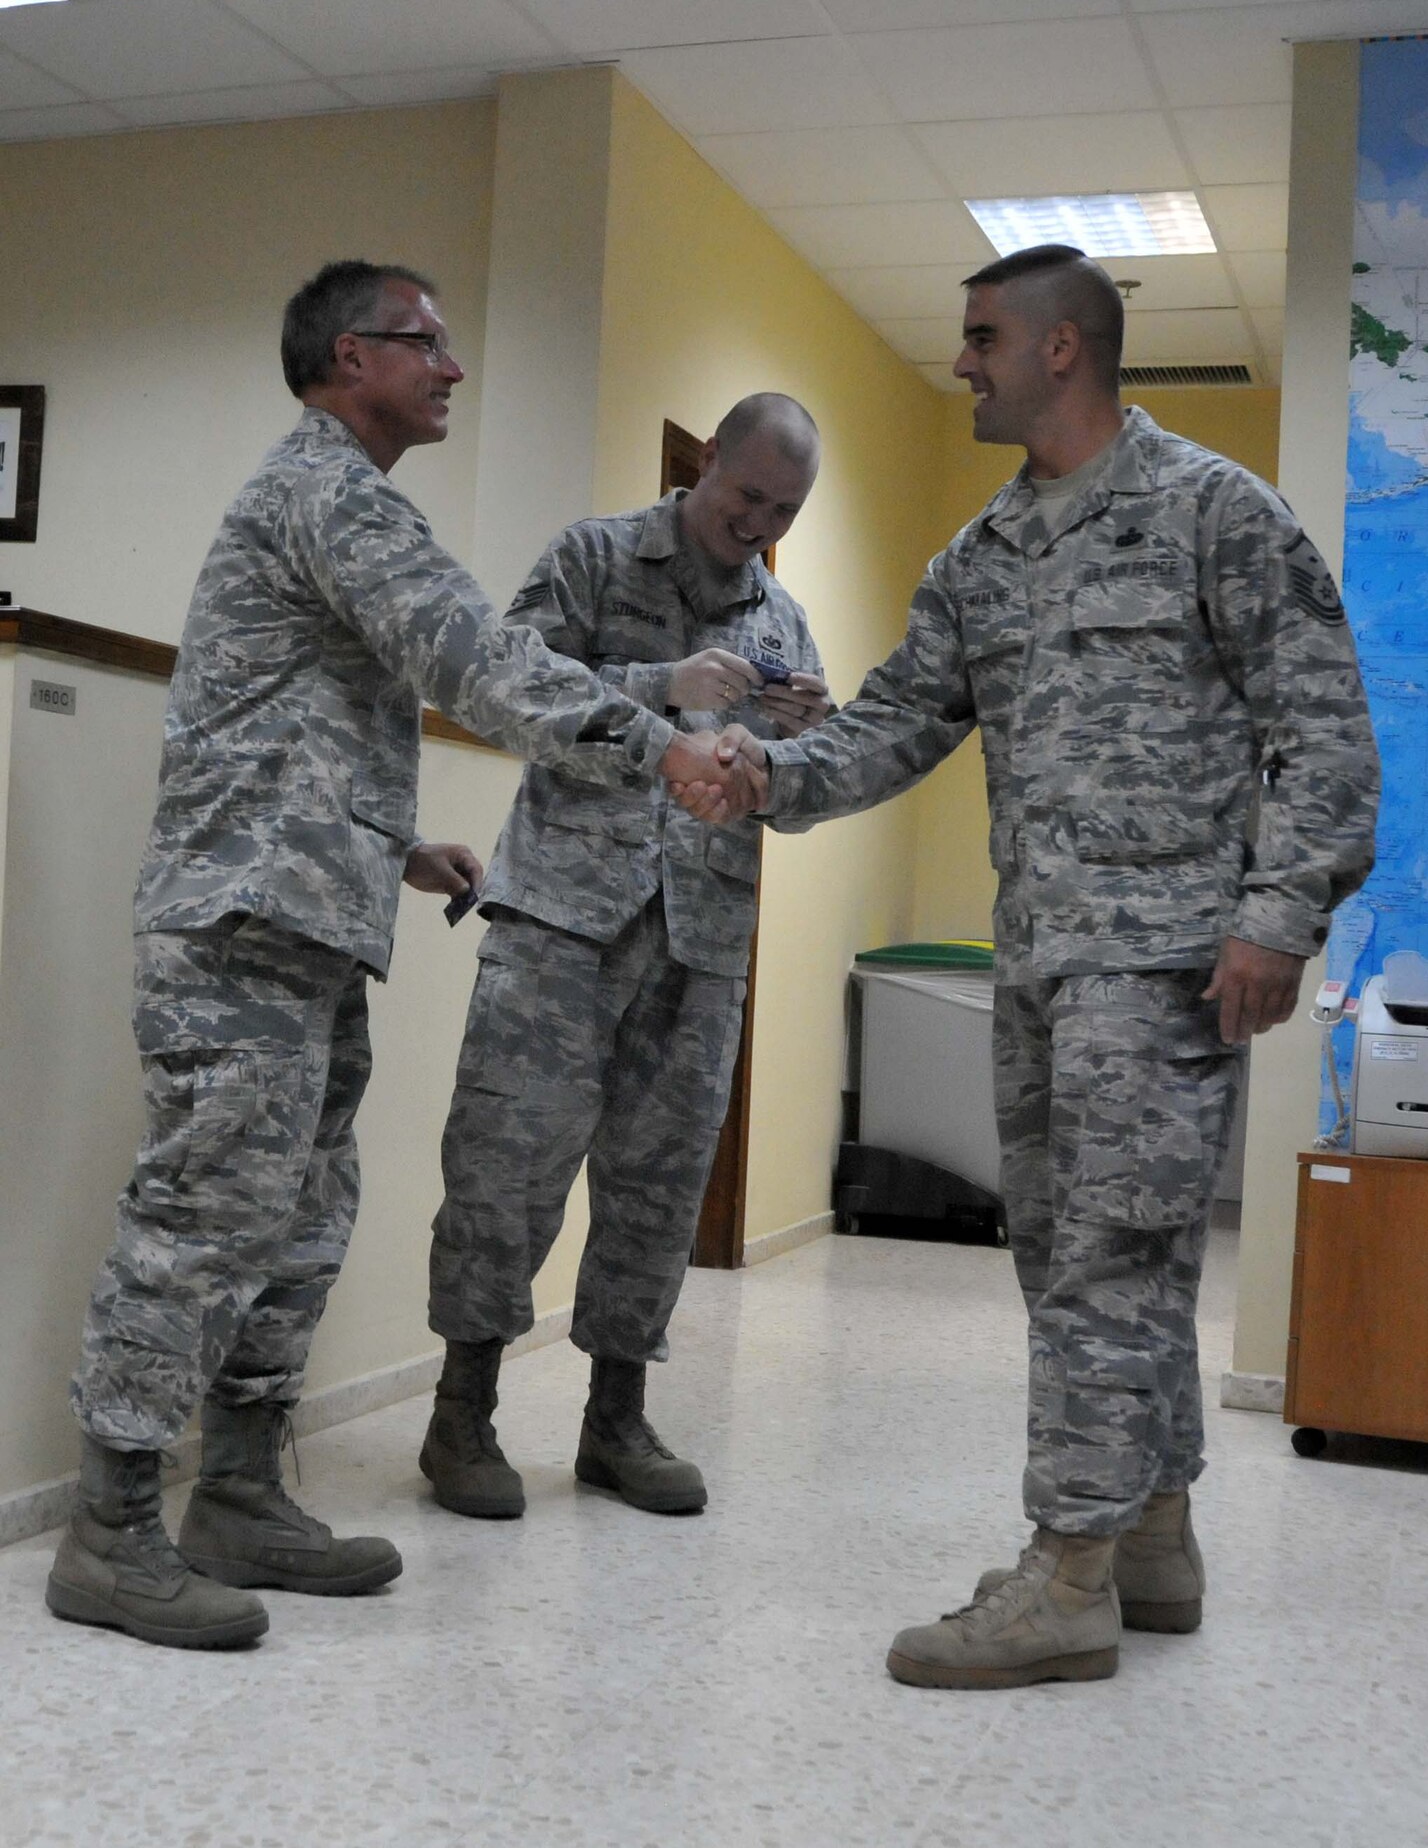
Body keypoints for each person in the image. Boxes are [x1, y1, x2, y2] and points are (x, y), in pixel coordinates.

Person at [682, 246, 1379, 1687]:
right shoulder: (982, 558)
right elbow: (891, 726)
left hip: (1169, 959)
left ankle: (1067, 1575)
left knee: (1110, 1268)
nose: (964, 362)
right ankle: (1153, 1541)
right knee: (1078, 1260)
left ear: (1067, 349)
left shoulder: (1212, 514)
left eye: (984, 335)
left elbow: (1325, 732)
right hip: (1042, 964)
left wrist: (1275, 917)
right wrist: (766, 774)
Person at [47, 260, 760, 1652]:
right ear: (341, 360)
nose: (448, 366)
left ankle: (241, 1490)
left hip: (307, 917)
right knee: (202, 1219)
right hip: (241, 930)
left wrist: (393, 846)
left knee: (300, 1216)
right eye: (419, 344)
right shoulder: (329, 492)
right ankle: (110, 1527)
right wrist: (660, 742)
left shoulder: (347, 505)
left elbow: (287, 724)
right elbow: (480, 659)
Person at [421, 393, 831, 1520]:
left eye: (783, 509)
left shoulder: (783, 621)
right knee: (506, 1168)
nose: (758, 522)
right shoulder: (594, 557)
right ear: (706, 461)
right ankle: (462, 1414)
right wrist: (663, 686)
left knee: (658, 1189)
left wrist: (789, 742)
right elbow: (503, 690)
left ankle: (617, 1418)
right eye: (748, 494)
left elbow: (803, 796)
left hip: (699, 939)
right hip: (561, 921)